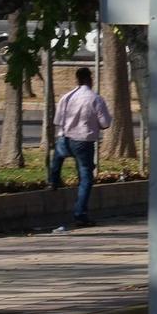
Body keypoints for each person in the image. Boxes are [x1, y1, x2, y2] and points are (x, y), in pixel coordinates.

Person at [49, 67, 112, 230]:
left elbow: (57, 121)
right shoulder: (95, 99)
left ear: (77, 79)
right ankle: (80, 214)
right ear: (90, 79)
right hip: (84, 141)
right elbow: (105, 123)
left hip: (65, 137)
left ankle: (53, 180)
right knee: (86, 177)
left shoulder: (66, 97)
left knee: (58, 157)